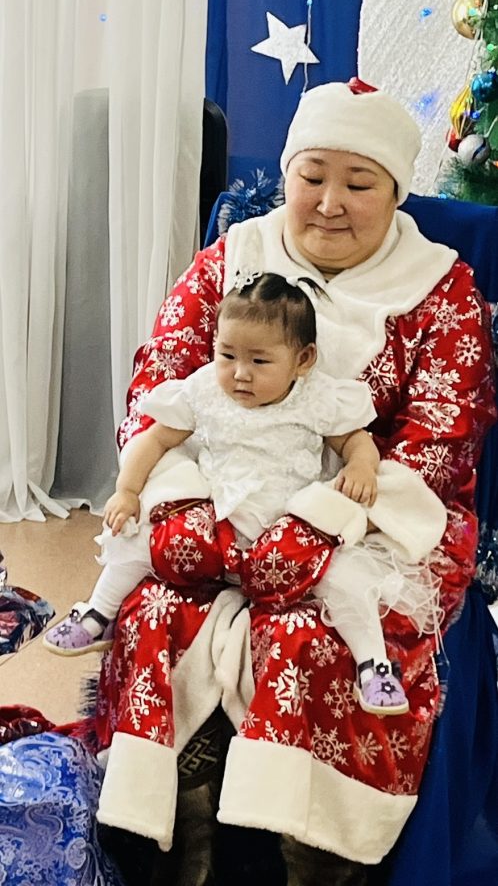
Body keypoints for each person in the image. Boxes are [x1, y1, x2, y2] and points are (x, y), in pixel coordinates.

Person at [92, 80, 496, 885]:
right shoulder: (234, 257)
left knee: (318, 635)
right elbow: (162, 382)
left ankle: (310, 855)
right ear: (289, 175)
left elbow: (441, 439)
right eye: (313, 177)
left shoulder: (440, 287)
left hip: (367, 521)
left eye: (359, 183)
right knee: (158, 611)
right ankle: (179, 838)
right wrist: (186, 506)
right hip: (216, 499)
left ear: (396, 191)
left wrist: (316, 526)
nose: (330, 203)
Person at [46, 272, 420, 716]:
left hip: (284, 531)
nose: (240, 373)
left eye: (260, 361)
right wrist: (127, 491)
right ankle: (98, 612)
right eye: (227, 355)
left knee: (346, 579)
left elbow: (355, 441)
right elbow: (155, 439)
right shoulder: (205, 389)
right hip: (216, 521)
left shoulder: (316, 397)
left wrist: (360, 466)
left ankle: (373, 664)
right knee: (138, 540)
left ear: (303, 359)